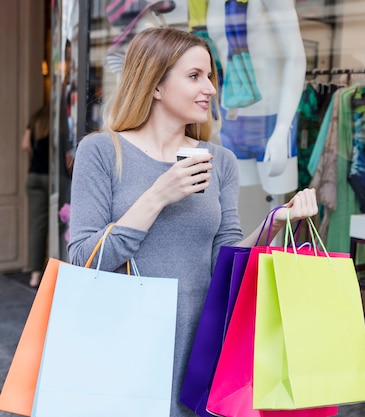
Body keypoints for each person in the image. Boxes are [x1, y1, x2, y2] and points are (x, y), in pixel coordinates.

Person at [67, 27, 318, 417]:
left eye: (210, 77)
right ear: (155, 85)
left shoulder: (220, 161)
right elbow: (84, 259)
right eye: (194, 76)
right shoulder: (102, 151)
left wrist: (275, 221)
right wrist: (158, 195)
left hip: (200, 340)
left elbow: (226, 260)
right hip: (125, 338)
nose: (212, 89)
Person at [206, 0, 307, 195]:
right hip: (229, 121)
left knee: (278, 205)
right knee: (239, 203)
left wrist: (282, 128)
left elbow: (295, 58)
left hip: (271, 121)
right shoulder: (211, 3)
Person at [21, 104, 50, 288]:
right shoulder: (59, 123)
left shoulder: (35, 120)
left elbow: (25, 145)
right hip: (53, 178)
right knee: (61, 223)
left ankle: (35, 274)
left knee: (37, 226)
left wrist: (35, 157)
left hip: (34, 176)